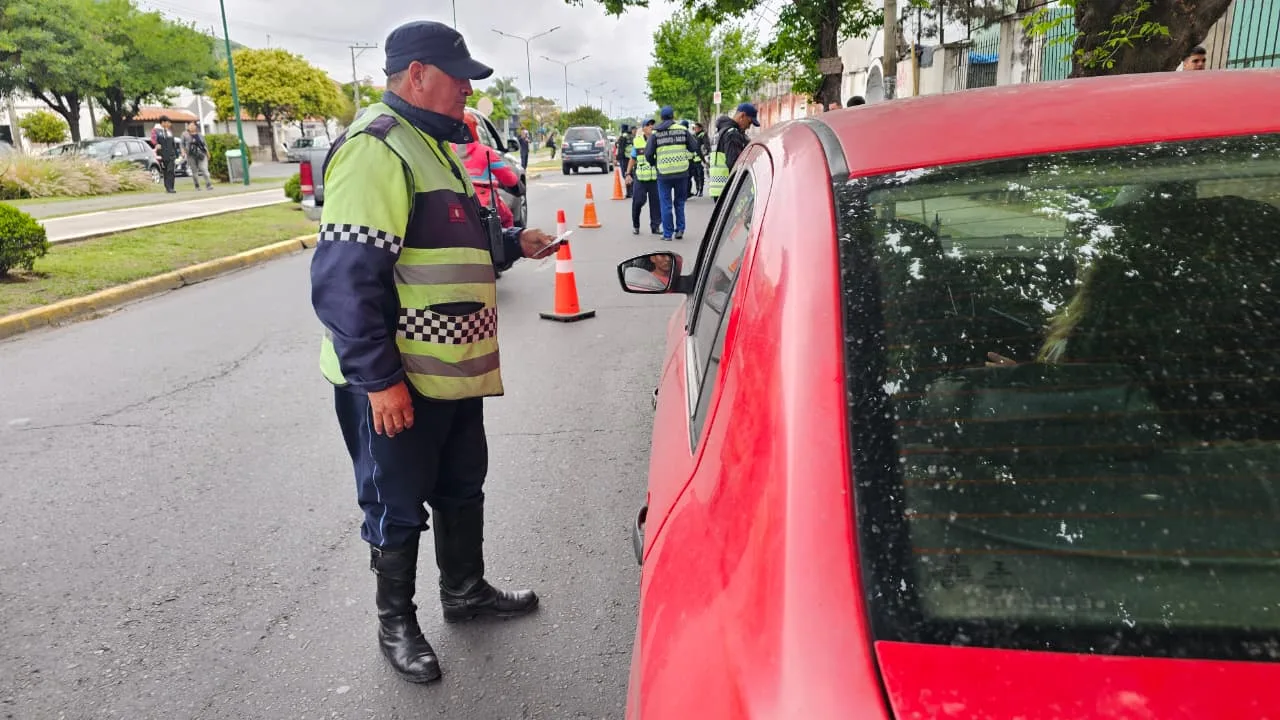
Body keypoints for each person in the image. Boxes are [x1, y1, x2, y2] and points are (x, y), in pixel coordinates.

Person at [309, 19, 558, 686]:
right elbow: (345, 279)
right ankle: (396, 623)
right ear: (416, 73)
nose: (466, 95)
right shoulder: (376, 149)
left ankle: (465, 592)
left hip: (449, 369)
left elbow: (448, 243)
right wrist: (379, 379)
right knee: (395, 502)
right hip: (400, 378)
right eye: (459, 80)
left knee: (460, 484)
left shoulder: (434, 145)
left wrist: (512, 245)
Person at [453, 112, 519, 227]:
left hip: (456, 202)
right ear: (474, 129)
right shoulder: (484, 151)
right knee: (507, 219)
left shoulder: (448, 150)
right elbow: (510, 179)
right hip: (485, 202)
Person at [644, 105, 699, 241]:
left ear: (661, 118)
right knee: (680, 202)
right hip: (681, 172)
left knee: (665, 203)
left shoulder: (656, 134)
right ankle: (680, 229)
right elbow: (694, 147)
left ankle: (667, 234)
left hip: (664, 174)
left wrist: (654, 163)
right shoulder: (683, 130)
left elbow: (648, 154)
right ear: (673, 116)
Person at [708, 102, 758, 200]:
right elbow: (734, 163)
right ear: (742, 116)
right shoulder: (732, 134)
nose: (749, 127)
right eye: (749, 122)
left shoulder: (719, 132)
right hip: (729, 188)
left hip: (718, 188)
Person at [627, 119, 660, 236]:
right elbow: (632, 158)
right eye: (648, 125)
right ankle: (636, 225)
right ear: (644, 128)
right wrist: (628, 174)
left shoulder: (658, 140)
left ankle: (655, 226)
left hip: (654, 179)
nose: (651, 127)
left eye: (652, 125)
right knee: (638, 202)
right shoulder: (637, 141)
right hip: (640, 178)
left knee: (656, 204)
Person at [181, 122, 213, 191]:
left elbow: (204, 144)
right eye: (190, 125)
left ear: (196, 126)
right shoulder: (184, 134)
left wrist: (208, 153)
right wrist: (183, 152)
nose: (191, 127)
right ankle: (197, 186)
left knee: (204, 169)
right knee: (194, 172)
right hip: (191, 155)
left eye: (193, 125)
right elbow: (182, 145)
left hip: (201, 154)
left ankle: (208, 184)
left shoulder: (200, 134)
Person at [153, 116, 179, 194]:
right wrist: (156, 144)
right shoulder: (156, 131)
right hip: (162, 154)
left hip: (171, 154)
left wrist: (176, 153)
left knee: (171, 170)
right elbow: (153, 139)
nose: (169, 124)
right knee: (165, 172)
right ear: (163, 122)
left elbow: (173, 143)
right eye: (168, 122)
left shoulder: (169, 132)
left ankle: (171, 187)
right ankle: (168, 188)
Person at [691, 122, 709, 197]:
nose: (695, 129)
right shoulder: (695, 136)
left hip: (700, 159)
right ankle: (698, 189)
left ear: (700, 128)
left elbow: (706, 147)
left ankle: (700, 190)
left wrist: (704, 159)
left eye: (696, 128)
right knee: (695, 176)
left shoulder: (703, 135)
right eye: (694, 128)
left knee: (700, 176)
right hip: (695, 159)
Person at [615, 124, 633, 198]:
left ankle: (629, 192)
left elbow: (620, 148)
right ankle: (631, 191)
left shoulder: (623, 136)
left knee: (625, 174)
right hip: (631, 157)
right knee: (630, 174)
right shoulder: (631, 136)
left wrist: (618, 158)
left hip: (624, 158)